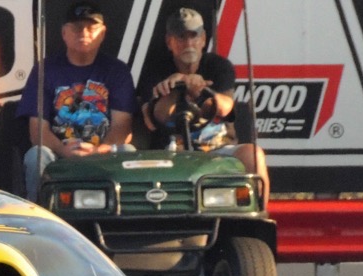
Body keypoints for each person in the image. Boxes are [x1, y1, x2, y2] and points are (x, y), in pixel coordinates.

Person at [138, 8, 269, 203]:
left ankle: (258, 214)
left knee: (254, 155)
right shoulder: (155, 69)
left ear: (203, 39)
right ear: (169, 42)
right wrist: (177, 87)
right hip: (169, 152)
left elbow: (226, 108)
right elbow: (153, 119)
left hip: (218, 148)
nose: (188, 44)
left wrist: (199, 90)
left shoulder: (219, 66)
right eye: (181, 37)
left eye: (194, 36)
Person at [14, 3, 135, 201]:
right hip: (58, 154)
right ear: (64, 33)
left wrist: (98, 151)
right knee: (37, 155)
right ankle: (39, 211)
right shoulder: (45, 70)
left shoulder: (117, 71)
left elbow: (122, 128)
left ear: (102, 34)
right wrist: (63, 150)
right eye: (77, 27)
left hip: (103, 153)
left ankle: (127, 215)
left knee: (128, 152)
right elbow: (37, 131)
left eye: (91, 27)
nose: (84, 33)